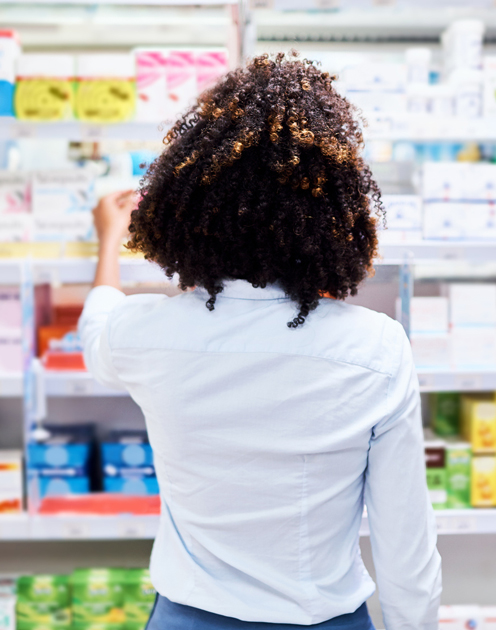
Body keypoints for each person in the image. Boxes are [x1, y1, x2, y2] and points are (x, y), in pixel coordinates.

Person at [79, 53, 441, 630]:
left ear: (188, 205)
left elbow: (96, 326)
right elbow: (406, 548)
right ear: (335, 215)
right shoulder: (375, 350)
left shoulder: (148, 334)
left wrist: (109, 240)